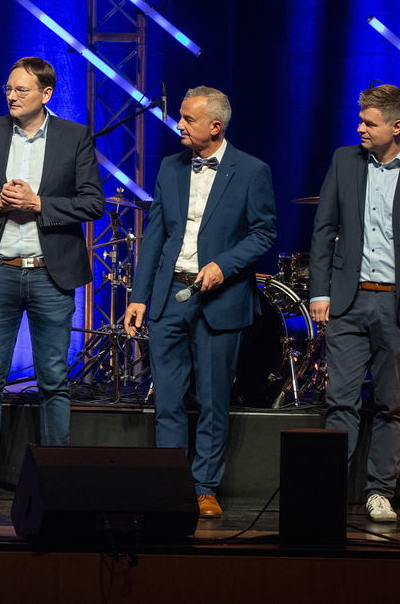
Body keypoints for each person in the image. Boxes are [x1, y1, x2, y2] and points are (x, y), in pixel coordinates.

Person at [0, 57, 104, 509]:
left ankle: (56, 472)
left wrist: (40, 204)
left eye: (21, 90)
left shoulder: (74, 137)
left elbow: (93, 202)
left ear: (46, 94)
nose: (11, 96)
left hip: (49, 274)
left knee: (55, 379)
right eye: (8, 88)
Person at [124, 87, 276, 517]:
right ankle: (169, 485)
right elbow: (155, 236)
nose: (179, 125)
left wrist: (224, 266)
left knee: (212, 400)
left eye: (188, 119)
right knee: (168, 399)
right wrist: (139, 298)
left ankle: (204, 487)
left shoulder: (251, 170)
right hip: (171, 296)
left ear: (215, 126)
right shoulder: (170, 168)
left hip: (219, 298)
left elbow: (263, 233)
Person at [309, 84, 400, 523]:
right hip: (348, 303)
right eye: (361, 120)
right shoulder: (343, 160)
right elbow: (322, 229)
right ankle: (327, 491)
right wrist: (320, 291)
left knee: (391, 403)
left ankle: (380, 491)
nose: (360, 128)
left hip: (396, 306)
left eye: (369, 123)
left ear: (396, 126)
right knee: (340, 400)